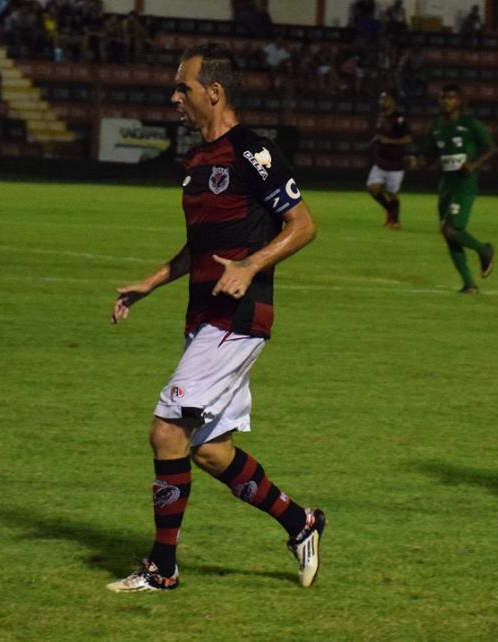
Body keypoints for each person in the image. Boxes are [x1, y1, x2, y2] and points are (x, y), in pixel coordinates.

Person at [107, 43, 325, 592]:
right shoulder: (196, 161)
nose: (174, 96)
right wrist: (151, 283)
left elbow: (302, 225)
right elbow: (198, 246)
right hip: (204, 317)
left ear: (214, 91)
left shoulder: (253, 152)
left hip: (238, 317)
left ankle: (163, 568)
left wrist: (251, 265)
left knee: (165, 430)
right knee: (208, 449)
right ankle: (300, 522)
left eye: (183, 87)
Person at [410, 84, 496, 293]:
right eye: (442, 98)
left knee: (450, 229)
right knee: (448, 233)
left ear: (459, 101)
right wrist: (417, 162)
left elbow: (491, 148)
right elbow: (429, 157)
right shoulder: (436, 126)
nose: (445, 102)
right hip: (446, 184)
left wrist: (473, 164)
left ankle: (484, 251)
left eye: (449, 98)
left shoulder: (469, 124)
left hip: (465, 183)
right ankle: (469, 283)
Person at [366, 90, 411, 229]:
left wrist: (388, 141)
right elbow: (380, 135)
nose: (382, 102)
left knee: (392, 194)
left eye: (385, 99)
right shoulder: (381, 117)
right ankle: (390, 211)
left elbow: (407, 139)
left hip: (396, 164)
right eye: (381, 99)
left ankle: (395, 221)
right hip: (380, 163)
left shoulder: (400, 119)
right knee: (373, 189)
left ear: (392, 100)